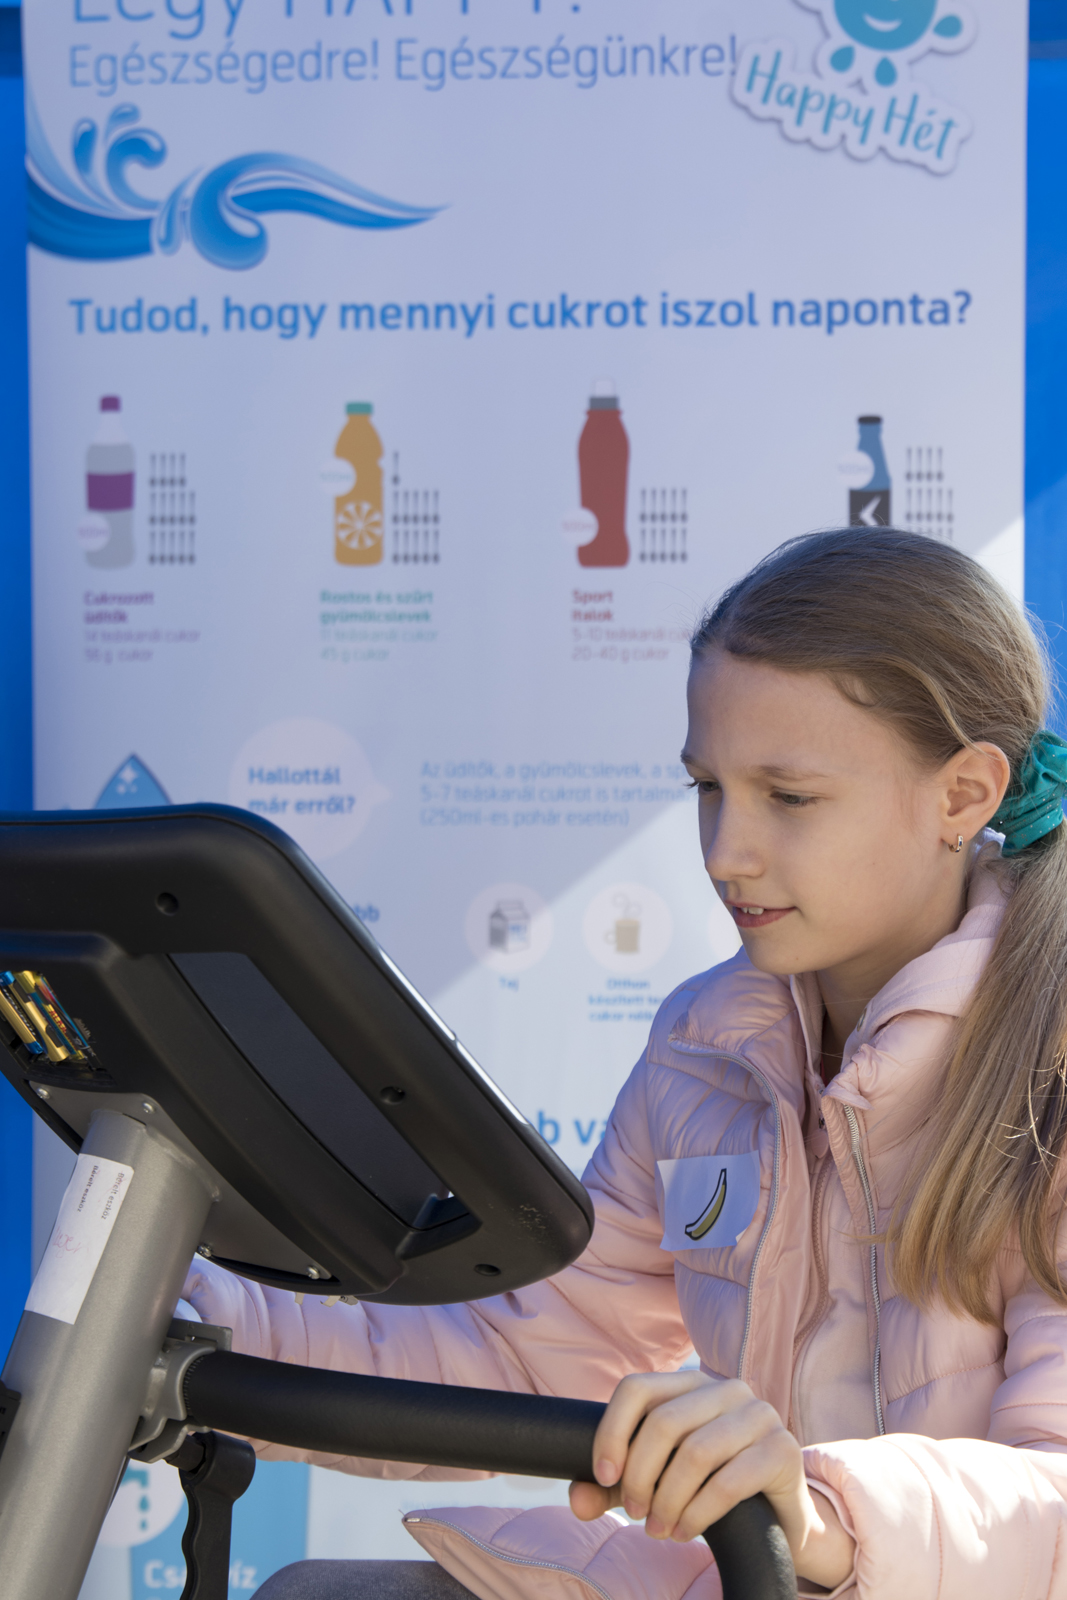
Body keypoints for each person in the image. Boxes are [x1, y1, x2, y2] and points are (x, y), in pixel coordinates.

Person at [186, 528, 1067, 1599]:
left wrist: (818, 1511)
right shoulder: (704, 1052)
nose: (724, 852)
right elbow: (533, 1351)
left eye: (788, 797)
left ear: (963, 796)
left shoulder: (1049, 1062)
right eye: (706, 787)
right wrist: (202, 1330)